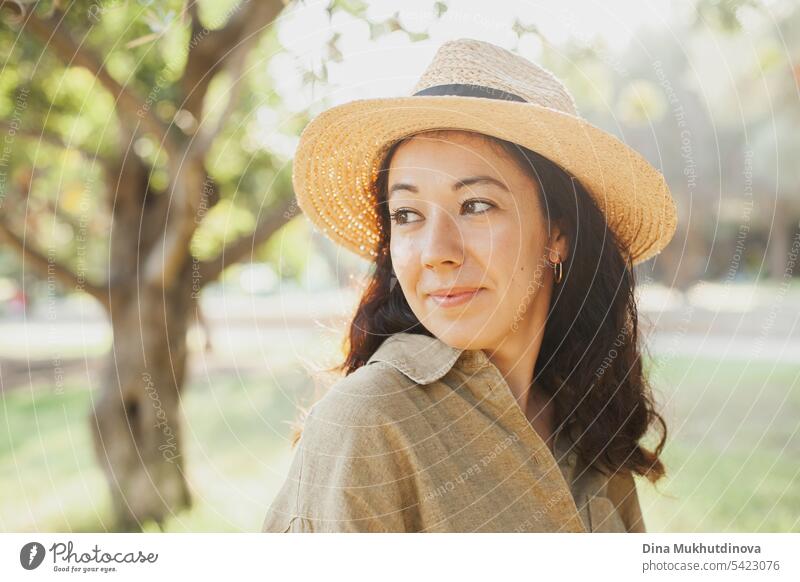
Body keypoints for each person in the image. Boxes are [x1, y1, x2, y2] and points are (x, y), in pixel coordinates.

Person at [262, 38, 677, 533]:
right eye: (408, 214)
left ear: (558, 234)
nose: (436, 250)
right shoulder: (367, 423)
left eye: (476, 205)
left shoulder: (587, 424)